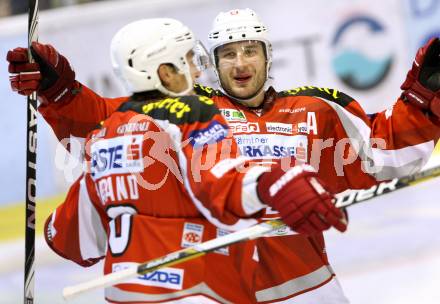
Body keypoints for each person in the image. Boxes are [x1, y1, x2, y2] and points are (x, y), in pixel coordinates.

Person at [7, 8, 440, 303]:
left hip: (303, 285)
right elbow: (108, 122)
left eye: (250, 50)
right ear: (212, 63)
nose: (240, 63)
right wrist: (59, 91)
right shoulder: (187, 110)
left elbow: (382, 150)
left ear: (269, 56)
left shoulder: (316, 108)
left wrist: (423, 97)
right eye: (228, 54)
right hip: (214, 285)